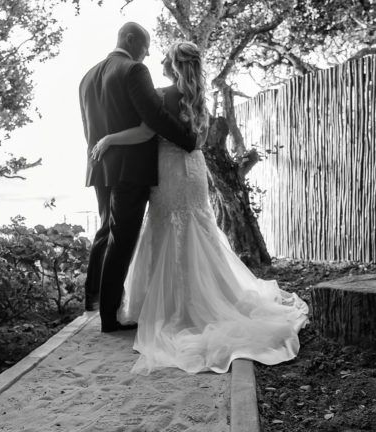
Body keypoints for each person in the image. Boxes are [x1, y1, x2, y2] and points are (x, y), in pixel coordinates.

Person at [91, 41, 308, 375]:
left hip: (167, 171)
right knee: (197, 230)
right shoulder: (199, 97)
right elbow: (198, 140)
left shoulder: (162, 95)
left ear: (174, 65)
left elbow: (146, 131)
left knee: (168, 229)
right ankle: (207, 298)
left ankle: (177, 308)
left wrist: (109, 139)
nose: (159, 60)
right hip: (193, 171)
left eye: (165, 57)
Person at [79, 22, 197, 333]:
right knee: (123, 241)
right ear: (131, 40)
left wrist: (102, 151)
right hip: (129, 169)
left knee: (105, 233)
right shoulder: (133, 71)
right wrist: (188, 141)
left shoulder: (88, 76)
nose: (146, 56)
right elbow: (154, 118)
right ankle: (108, 318)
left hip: (100, 165)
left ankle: (93, 302)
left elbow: (91, 128)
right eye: (145, 48)